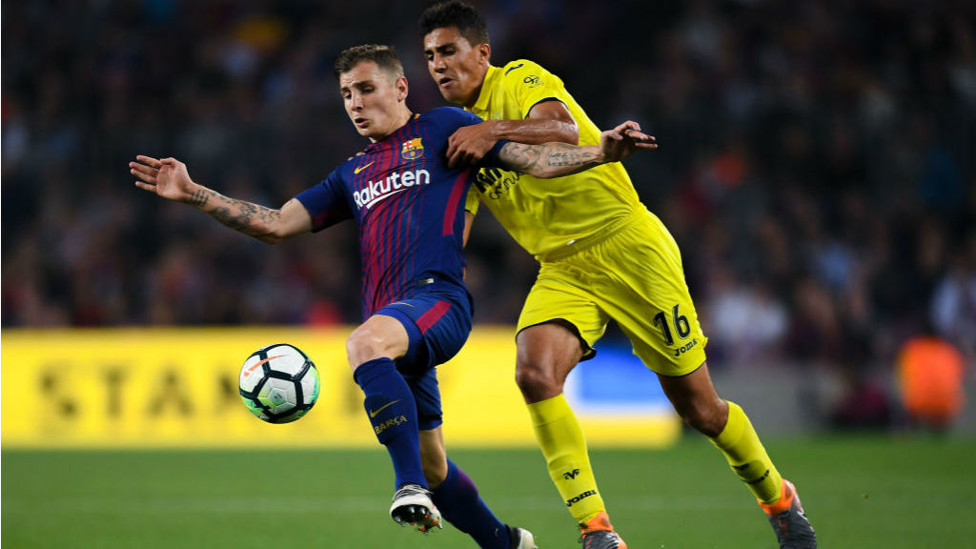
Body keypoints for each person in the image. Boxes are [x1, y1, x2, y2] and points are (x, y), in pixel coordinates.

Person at [129, 44, 654, 549]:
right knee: (436, 466)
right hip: (396, 322)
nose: (355, 103)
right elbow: (275, 223)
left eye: (365, 89)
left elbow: (532, 160)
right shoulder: (351, 173)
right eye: (345, 95)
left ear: (401, 87)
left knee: (364, 347)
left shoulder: (444, 128)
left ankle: (407, 490)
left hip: (438, 302)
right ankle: (504, 541)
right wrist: (194, 193)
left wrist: (600, 152)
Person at [418, 3, 818, 548]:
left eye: (448, 51)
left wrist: (492, 130)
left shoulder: (518, 79)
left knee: (701, 409)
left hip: (628, 246)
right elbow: (457, 221)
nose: (438, 65)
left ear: (482, 52)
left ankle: (779, 499)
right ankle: (597, 531)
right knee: (534, 374)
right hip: (561, 269)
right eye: (429, 57)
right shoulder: (456, 137)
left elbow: (557, 126)